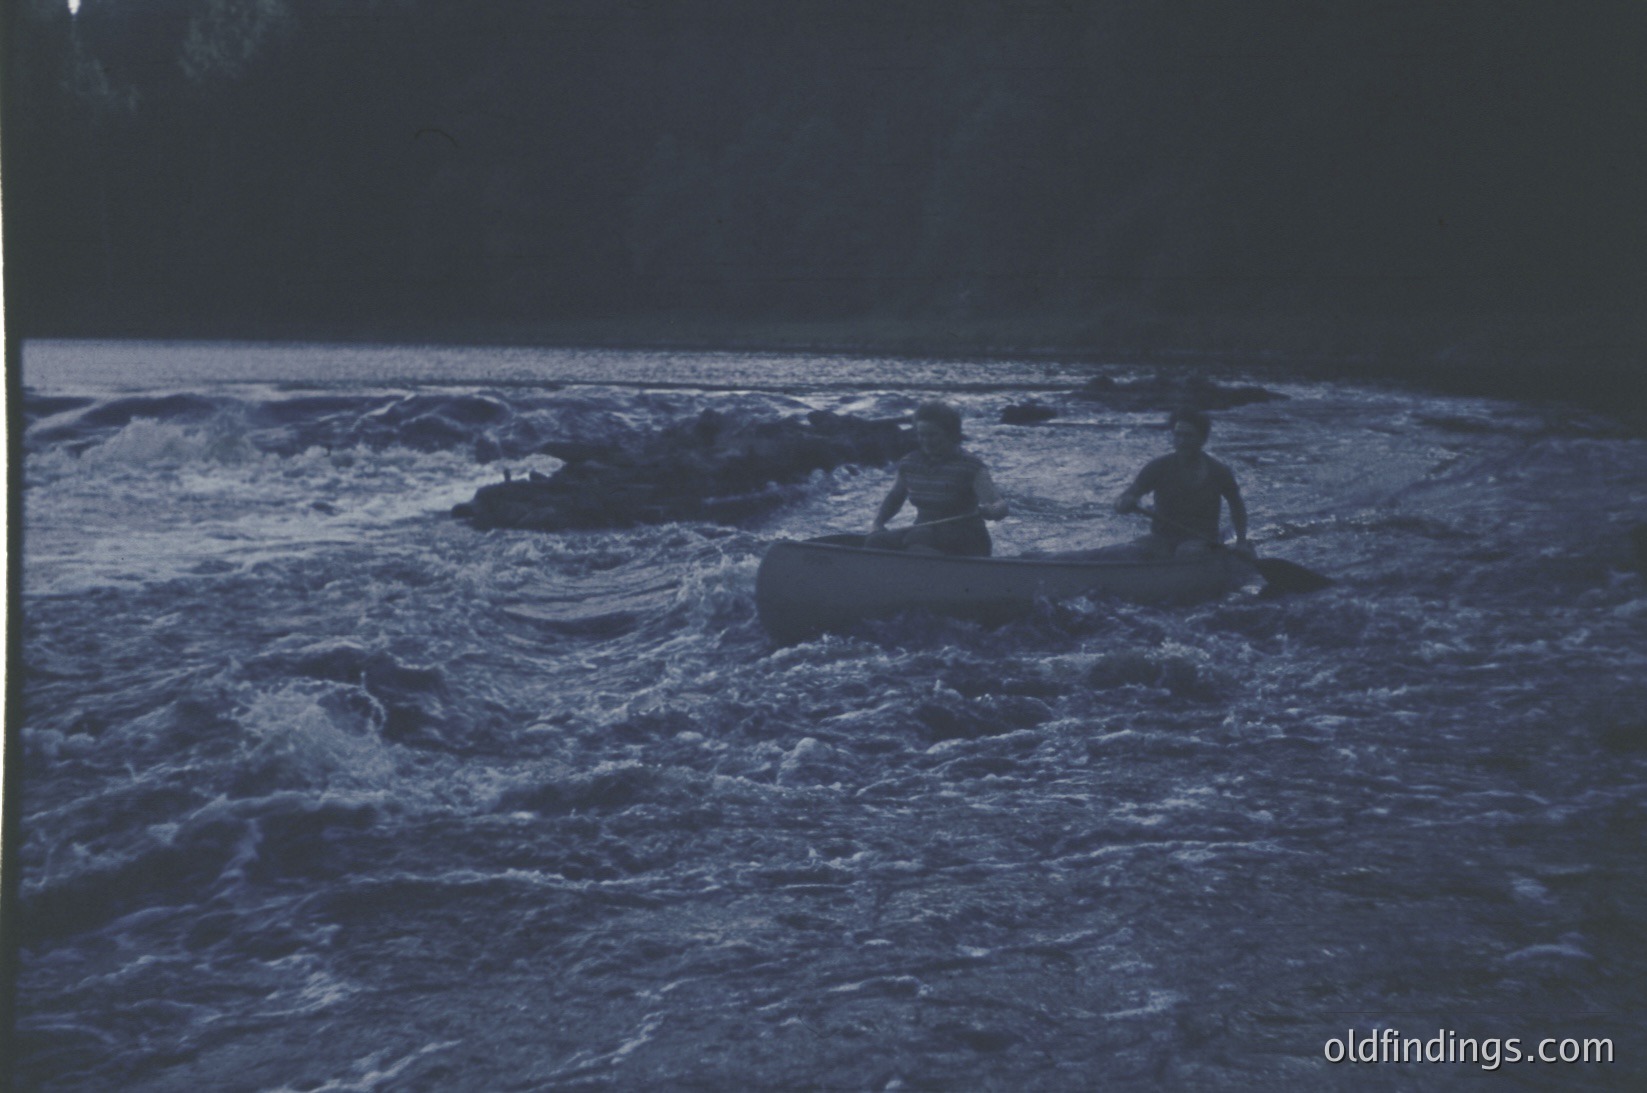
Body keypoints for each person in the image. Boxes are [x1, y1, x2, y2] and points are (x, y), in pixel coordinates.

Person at [867, 400, 1009, 556]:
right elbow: (895, 497)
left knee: (917, 541)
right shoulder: (909, 463)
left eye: (932, 435)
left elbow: (999, 504)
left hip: (966, 539)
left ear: (951, 434)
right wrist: (878, 523)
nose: (926, 441)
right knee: (876, 542)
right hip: (922, 534)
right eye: (921, 434)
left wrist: (992, 510)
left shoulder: (971, 466)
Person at [1113, 408, 1253, 559]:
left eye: (1188, 436)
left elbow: (1237, 507)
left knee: (1187, 552)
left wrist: (1241, 543)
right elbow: (1126, 496)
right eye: (1177, 435)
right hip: (1162, 538)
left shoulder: (1219, 471)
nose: (1181, 441)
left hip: (1201, 540)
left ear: (1202, 439)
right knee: (1129, 552)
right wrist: (1123, 503)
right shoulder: (1158, 467)